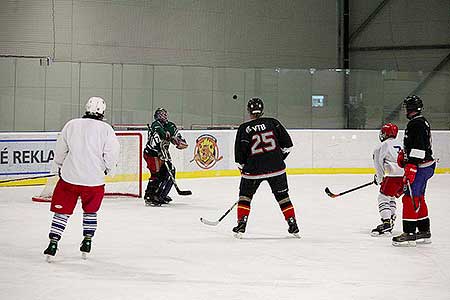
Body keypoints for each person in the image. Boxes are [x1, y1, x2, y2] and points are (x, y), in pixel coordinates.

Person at [43, 96, 120, 260]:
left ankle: (53, 243)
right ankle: (87, 240)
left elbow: (60, 149)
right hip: (94, 181)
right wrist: (108, 169)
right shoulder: (106, 129)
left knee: (61, 212)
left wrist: (57, 166)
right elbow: (112, 154)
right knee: (90, 211)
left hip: (69, 179)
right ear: (103, 111)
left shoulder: (71, 124)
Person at [233, 97, 299, 238]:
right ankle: (292, 223)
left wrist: (245, 168)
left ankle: (241, 224)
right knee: (283, 196)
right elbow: (288, 146)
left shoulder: (244, 128)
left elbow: (239, 158)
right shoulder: (273, 123)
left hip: (253, 171)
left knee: (245, 197)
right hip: (277, 168)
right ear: (262, 110)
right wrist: (276, 159)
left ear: (249, 111)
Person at [393, 95, 435, 247]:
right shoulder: (420, 122)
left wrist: (411, 165)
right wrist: (406, 156)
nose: (405, 109)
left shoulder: (416, 124)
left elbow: (419, 148)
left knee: (409, 198)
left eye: (406, 107)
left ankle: (410, 233)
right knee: (419, 197)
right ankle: (424, 230)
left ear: (411, 108)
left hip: (420, 167)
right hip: (426, 166)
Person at [143, 108, 188, 206]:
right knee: (157, 174)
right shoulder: (156, 125)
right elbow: (162, 134)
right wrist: (172, 138)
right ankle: (149, 196)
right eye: (160, 114)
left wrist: (180, 141)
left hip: (163, 153)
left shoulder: (171, 125)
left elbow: (179, 138)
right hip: (152, 153)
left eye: (164, 114)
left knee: (171, 171)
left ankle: (161, 195)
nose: (163, 116)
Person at [370, 123, 404, 236]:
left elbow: (379, 164)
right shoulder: (401, 143)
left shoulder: (381, 146)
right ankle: (391, 219)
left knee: (383, 197)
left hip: (392, 175)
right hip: (405, 176)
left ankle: (386, 223)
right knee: (391, 196)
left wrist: (379, 179)